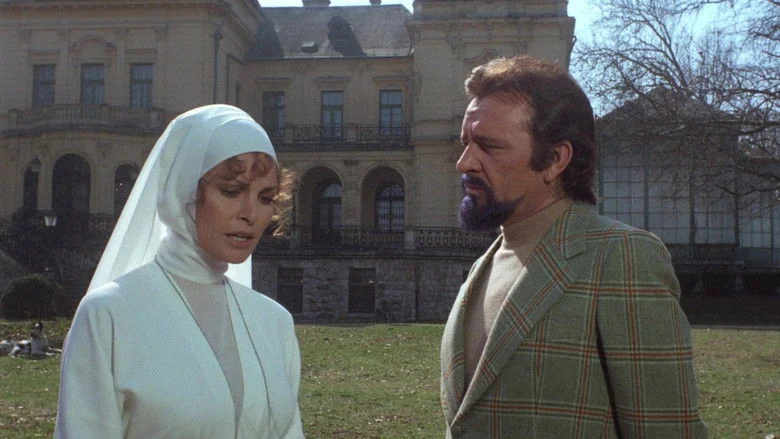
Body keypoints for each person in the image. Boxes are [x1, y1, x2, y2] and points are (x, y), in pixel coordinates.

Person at [440, 56, 708, 438]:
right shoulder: (487, 263)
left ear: (555, 159)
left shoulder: (622, 258)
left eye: (489, 146)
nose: (464, 163)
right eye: (465, 143)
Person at [55, 104, 304, 438]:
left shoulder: (274, 323)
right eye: (232, 191)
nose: (251, 214)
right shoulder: (108, 316)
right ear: (183, 189)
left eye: (266, 197)